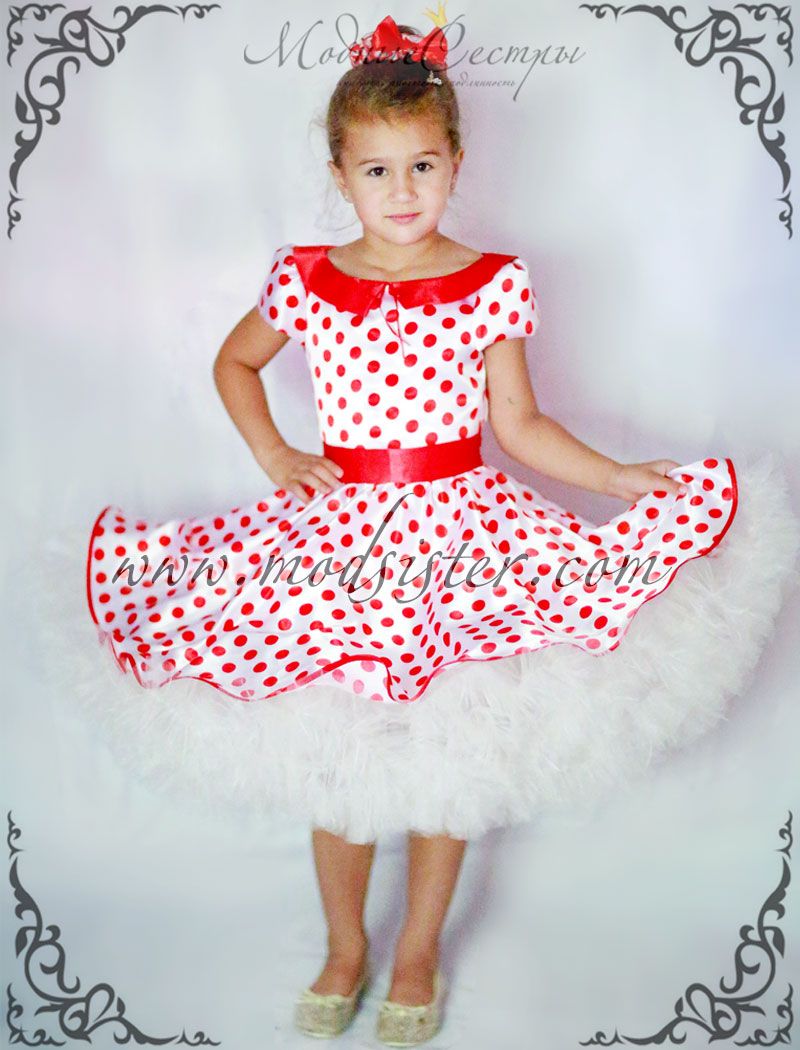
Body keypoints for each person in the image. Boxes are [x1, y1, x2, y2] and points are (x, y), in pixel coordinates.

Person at [48, 13, 797, 1046]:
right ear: (339, 174)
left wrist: (618, 477)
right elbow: (234, 362)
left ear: (455, 163)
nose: (401, 192)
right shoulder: (306, 277)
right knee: (336, 757)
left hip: (462, 537)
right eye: (376, 171)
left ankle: (417, 950)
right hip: (338, 544)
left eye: (422, 167)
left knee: (451, 753)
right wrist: (275, 456)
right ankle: (343, 946)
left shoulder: (491, 281)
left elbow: (520, 426)